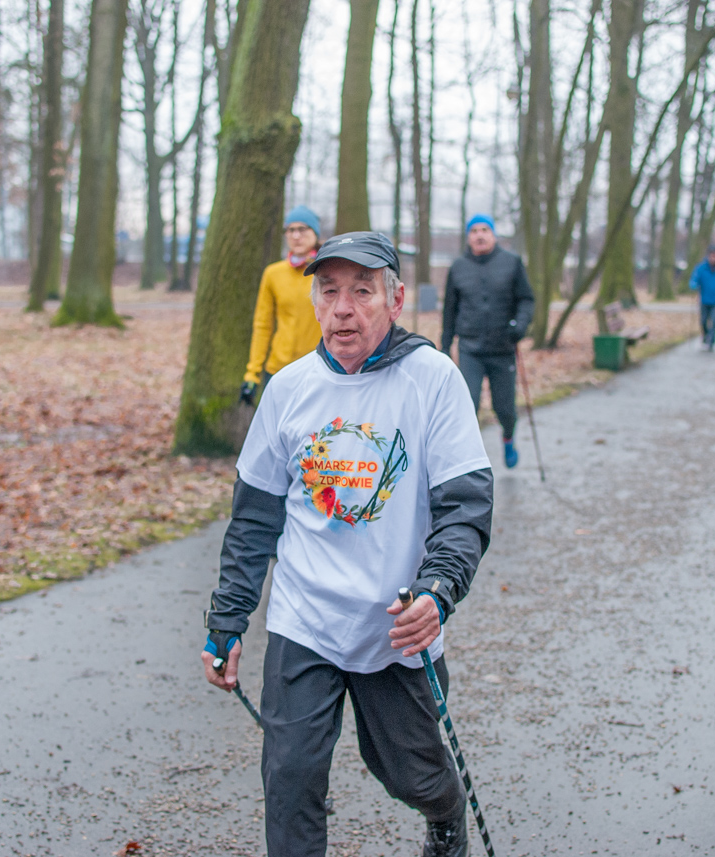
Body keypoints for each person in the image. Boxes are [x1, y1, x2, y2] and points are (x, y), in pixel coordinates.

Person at [202, 231, 494, 857]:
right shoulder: (287, 390)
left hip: (397, 624)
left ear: (395, 300)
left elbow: (465, 508)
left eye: (362, 292)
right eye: (328, 291)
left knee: (410, 774)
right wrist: (227, 620)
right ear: (312, 302)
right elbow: (254, 520)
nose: (343, 308)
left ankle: (444, 816)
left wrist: (438, 591)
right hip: (305, 619)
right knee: (291, 777)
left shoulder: (433, 380)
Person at [440, 213, 535, 469]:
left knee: (504, 407)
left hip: (502, 346)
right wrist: (445, 346)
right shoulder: (458, 267)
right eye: (474, 231)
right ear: (468, 237)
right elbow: (450, 309)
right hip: (470, 347)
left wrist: (520, 325)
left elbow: (526, 299)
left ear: (493, 235)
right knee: (467, 404)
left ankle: (507, 436)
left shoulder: (512, 263)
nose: (479, 235)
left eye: (485, 230)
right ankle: (468, 459)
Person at [240, 205, 324, 405]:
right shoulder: (273, 274)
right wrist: (253, 373)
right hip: (279, 371)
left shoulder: (326, 272)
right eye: (290, 230)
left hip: (319, 369)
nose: (296, 236)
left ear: (315, 234)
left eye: (303, 229)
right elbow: (263, 325)